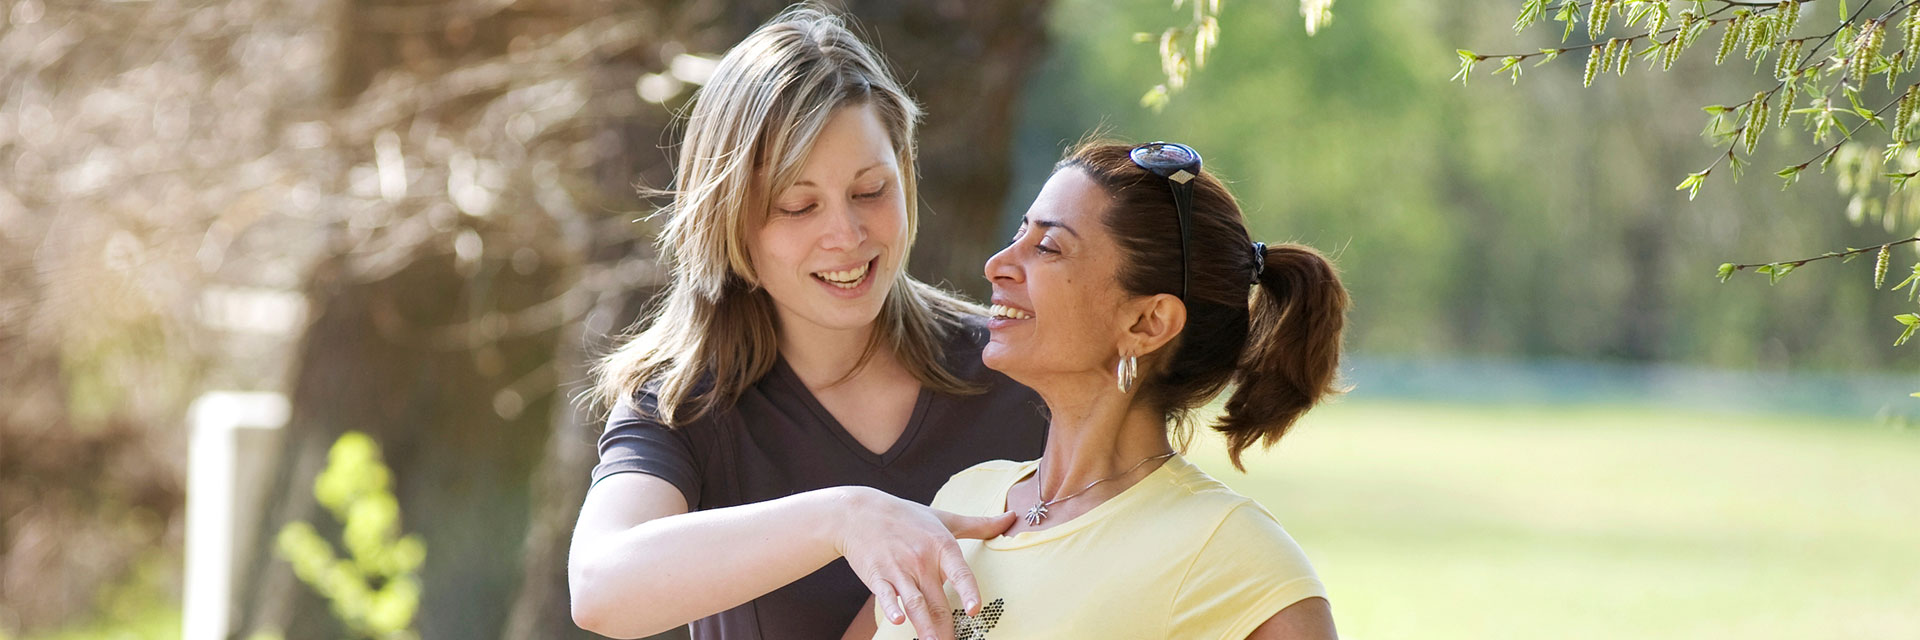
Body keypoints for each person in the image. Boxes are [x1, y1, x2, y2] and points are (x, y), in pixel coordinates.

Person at [567, 6, 1047, 640]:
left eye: (871, 190)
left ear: (905, 174)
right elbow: (600, 588)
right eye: (798, 205)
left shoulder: (1020, 367)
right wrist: (842, 519)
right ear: (731, 219)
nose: (846, 236)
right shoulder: (684, 406)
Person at [853, 140, 1348, 639]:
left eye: (1047, 247)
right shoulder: (965, 495)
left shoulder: (1232, 554)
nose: (997, 264)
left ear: (1147, 322)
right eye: (1019, 233)